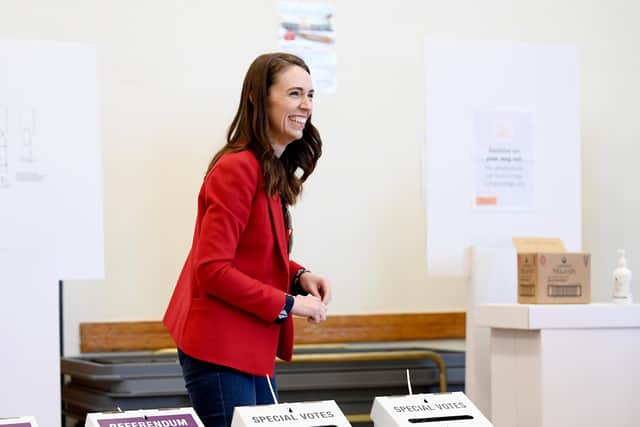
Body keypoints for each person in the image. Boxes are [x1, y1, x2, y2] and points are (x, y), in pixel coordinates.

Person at [163, 52, 331, 427]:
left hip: (250, 344)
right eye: (294, 94)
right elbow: (212, 269)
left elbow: (254, 249)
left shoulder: (266, 166)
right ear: (259, 98)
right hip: (221, 346)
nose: (306, 105)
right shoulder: (237, 168)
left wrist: (298, 274)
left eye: (311, 95)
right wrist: (291, 304)